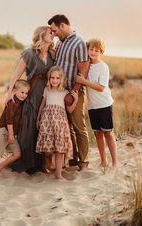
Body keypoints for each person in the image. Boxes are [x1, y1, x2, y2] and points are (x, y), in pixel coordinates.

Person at [5, 26, 54, 174]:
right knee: (29, 129)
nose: (53, 35)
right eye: (50, 33)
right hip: (32, 95)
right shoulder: (29, 53)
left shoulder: (53, 54)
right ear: (41, 35)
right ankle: (25, 166)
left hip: (46, 96)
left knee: (42, 130)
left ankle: (40, 164)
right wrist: (9, 93)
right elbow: (16, 75)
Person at [48, 14, 89, 171]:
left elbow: (84, 68)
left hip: (74, 91)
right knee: (68, 127)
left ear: (63, 25)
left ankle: (83, 162)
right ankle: (74, 159)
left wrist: (74, 92)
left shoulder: (79, 43)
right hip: (59, 93)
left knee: (79, 127)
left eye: (55, 30)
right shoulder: (60, 43)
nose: (54, 33)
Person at [75, 38, 118, 171]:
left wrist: (84, 81)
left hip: (104, 104)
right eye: (91, 49)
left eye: (96, 50)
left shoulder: (103, 67)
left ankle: (115, 163)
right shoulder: (86, 65)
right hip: (92, 106)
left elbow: (101, 87)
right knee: (98, 134)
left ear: (101, 52)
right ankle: (103, 161)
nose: (93, 52)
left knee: (108, 133)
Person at [36, 66, 78, 179]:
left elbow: (69, 110)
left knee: (59, 149)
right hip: (47, 121)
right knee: (47, 149)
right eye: (52, 78)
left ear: (61, 79)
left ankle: (58, 174)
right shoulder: (47, 90)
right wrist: (38, 118)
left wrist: (76, 100)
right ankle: (46, 165)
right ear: (49, 78)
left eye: (57, 78)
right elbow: (42, 105)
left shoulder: (65, 92)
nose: (54, 80)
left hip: (60, 122)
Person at [0, 80, 30, 179]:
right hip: (2, 131)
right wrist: (11, 135)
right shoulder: (12, 102)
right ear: (14, 91)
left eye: (26, 93)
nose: (24, 95)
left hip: (10, 133)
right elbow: (9, 120)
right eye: (22, 92)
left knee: (17, 153)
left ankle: (0, 166)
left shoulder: (21, 103)